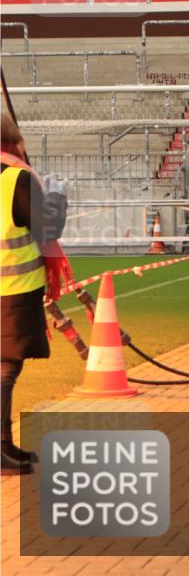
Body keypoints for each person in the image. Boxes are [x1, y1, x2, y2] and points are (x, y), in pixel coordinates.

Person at [1, 110, 67, 475]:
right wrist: (57, 197)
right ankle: (0, 449)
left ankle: (5, 445)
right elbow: (49, 227)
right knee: (6, 368)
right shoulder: (16, 179)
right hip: (10, 291)